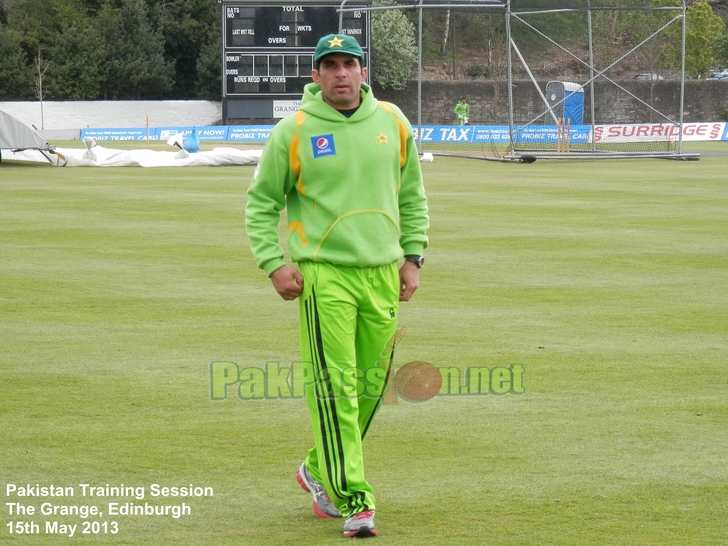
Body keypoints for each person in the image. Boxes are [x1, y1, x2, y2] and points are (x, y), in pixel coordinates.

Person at [245, 33, 429, 538]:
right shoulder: (294, 131)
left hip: (382, 275)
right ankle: (354, 499)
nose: (341, 73)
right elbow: (261, 203)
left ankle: (316, 467)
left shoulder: (393, 122)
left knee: (368, 390)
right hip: (324, 277)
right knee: (336, 391)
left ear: (364, 73)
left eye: (350, 64)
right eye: (330, 66)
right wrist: (272, 262)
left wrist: (412, 258)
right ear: (316, 75)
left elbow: (412, 197)